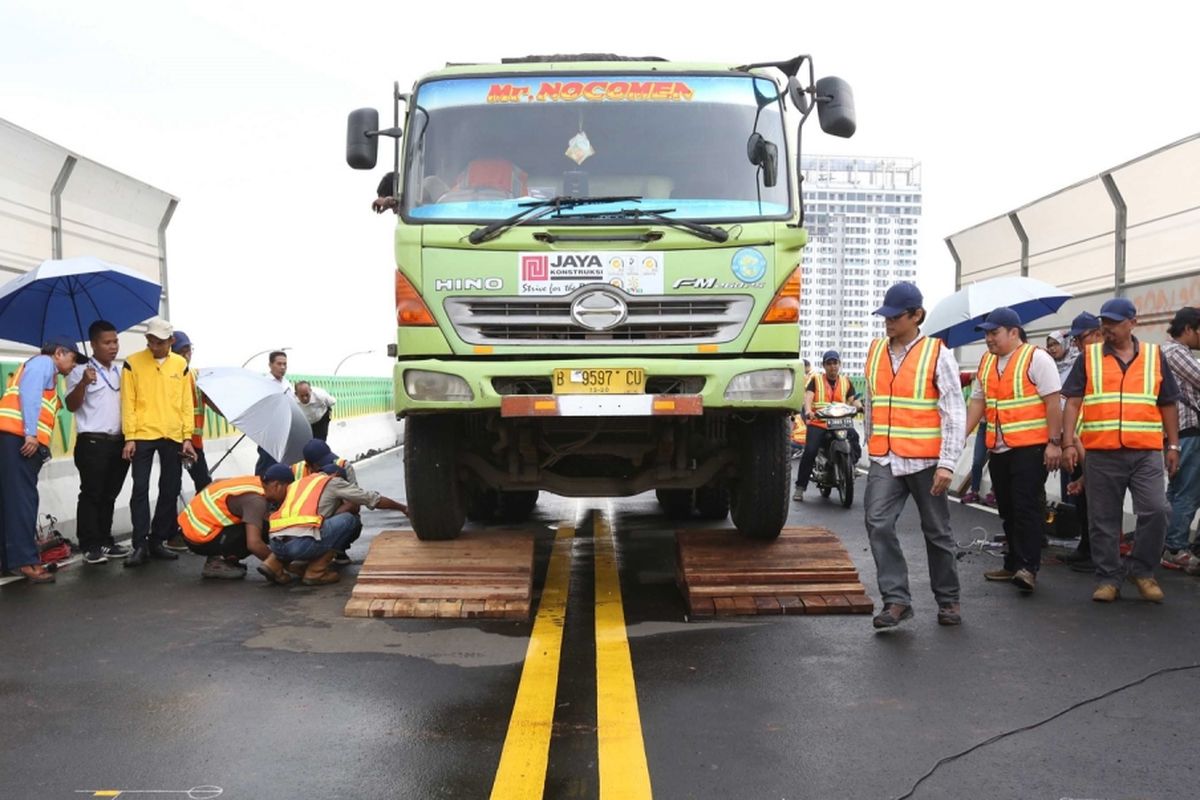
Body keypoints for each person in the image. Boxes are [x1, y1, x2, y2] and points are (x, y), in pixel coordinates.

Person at [1062, 298, 1180, 603]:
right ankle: (1108, 578)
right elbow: (1073, 402)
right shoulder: (1088, 358)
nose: (1107, 328)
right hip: (1101, 452)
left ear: (1133, 323)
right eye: (1105, 322)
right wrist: (1067, 442)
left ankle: (1142, 571)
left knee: (1156, 510)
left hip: (1146, 451)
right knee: (1103, 519)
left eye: (1114, 322)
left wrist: (1174, 444)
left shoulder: (1154, 356)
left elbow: (1167, 402)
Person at [862, 282, 966, 628]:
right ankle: (896, 600)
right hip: (886, 459)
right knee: (878, 523)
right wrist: (871, 442)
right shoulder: (876, 351)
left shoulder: (937, 353)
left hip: (925, 460)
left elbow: (953, 410)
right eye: (886, 316)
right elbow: (871, 404)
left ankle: (948, 601)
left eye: (896, 316)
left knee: (937, 531)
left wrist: (948, 463)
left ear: (916, 315)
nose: (888, 322)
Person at [965, 307, 1063, 592]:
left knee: (1026, 508)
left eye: (994, 333)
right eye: (986, 334)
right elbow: (978, 403)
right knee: (1006, 508)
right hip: (998, 448)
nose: (989, 339)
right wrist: (963, 434)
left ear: (1013, 332)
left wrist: (1054, 444)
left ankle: (1027, 567)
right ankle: (1012, 563)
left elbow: (1053, 403)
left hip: (1030, 449)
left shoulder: (1036, 358)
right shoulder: (987, 362)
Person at [0, 336, 84, 583]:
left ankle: (10, 561)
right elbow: (30, 393)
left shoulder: (45, 370)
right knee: (23, 501)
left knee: (10, 501)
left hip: (10, 438)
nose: (73, 366)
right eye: (73, 359)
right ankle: (26, 562)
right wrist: (31, 434)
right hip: (19, 439)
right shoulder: (44, 364)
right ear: (59, 352)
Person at [121, 318, 195, 567]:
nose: (154, 345)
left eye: (159, 342)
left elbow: (186, 403)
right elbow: (128, 403)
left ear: (171, 342)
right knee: (140, 488)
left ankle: (157, 539)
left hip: (172, 435)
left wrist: (187, 437)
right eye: (150, 341)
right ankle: (139, 543)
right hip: (142, 434)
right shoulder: (132, 363)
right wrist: (129, 437)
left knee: (170, 488)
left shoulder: (180, 365)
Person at [258, 464, 408, 586]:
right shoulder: (333, 482)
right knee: (350, 520)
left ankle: (273, 564)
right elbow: (372, 499)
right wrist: (403, 508)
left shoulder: (298, 484)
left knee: (300, 529)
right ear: (336, 476)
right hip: (300, 545)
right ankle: (316, 572)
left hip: (276, 545)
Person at [64, 320, 132, 565]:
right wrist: (83, 382)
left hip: (118, 441)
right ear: (93, 344)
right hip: (92, 442)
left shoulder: (119, 371)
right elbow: (71, 405)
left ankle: (105, 539)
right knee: (91, 494)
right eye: (107, 342)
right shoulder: (79, 370)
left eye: (115, 341)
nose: (113, 347)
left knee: (110, 494)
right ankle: (89, 545)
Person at [178, 466, 294, 580]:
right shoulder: (256, 501)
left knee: (259, 521)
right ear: (277, 486)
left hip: (188, 527)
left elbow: (216, 481)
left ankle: (224, 556)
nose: (287, 497)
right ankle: (217, 561)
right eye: (288, 492)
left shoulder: (254, 481)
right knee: (262, 529)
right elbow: (254, 544)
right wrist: (281, 566)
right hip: (199, 539)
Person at [1058, 312, 1103, 572]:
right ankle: (1086, 547)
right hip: (1080, 438)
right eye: (1074, 340)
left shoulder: (1107, 363)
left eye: (1080, 338)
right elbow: (1071, 403)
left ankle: (1096, 552)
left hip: (1100, 442)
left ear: (1097, 333)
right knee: (1082, 498)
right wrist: (1070, 440)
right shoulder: (1082, 362)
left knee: (1099, 502)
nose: (1077, 344)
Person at [1160, 307, 1200, 571]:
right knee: (1187, 492)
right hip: (1186, 431)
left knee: (1175, 492)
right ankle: (1175, 547)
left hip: (1177, 433)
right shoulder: (1176, 352)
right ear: (1187, 329)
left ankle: (1165, 544)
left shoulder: (1166, 352)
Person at [793, 349, 862, 501]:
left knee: (854, 437)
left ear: (839, 364)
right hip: (820, 422)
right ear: (824, 366)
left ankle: (852, 465)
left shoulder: (846, 381)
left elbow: (853, 399)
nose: (833, 367)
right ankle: (800, 487)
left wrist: (859, 406)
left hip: (840, 422)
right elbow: (808, 397)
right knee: (810, 451)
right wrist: (809, 411)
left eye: (835, 363)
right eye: (829, 363)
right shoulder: (816, 380)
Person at [165, 330, 212, 551]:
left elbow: (211, 403)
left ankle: (200, 525)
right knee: (171, 487)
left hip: (194, 444)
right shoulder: (169, 378)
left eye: (188, 350)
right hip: (175, 442)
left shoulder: (196, 376)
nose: (187, 355)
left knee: (203, 484)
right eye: (182, 351)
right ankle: (171, 534)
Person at [254, 350, 292, 476]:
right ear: (270, 365)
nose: (282, 367)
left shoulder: (287, 384)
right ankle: (259, 485)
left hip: (285, 428)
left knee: (283, 463)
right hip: (268, 430)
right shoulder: (264, 383)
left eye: (285, 364)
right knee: (266, 461)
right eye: (279, 364)